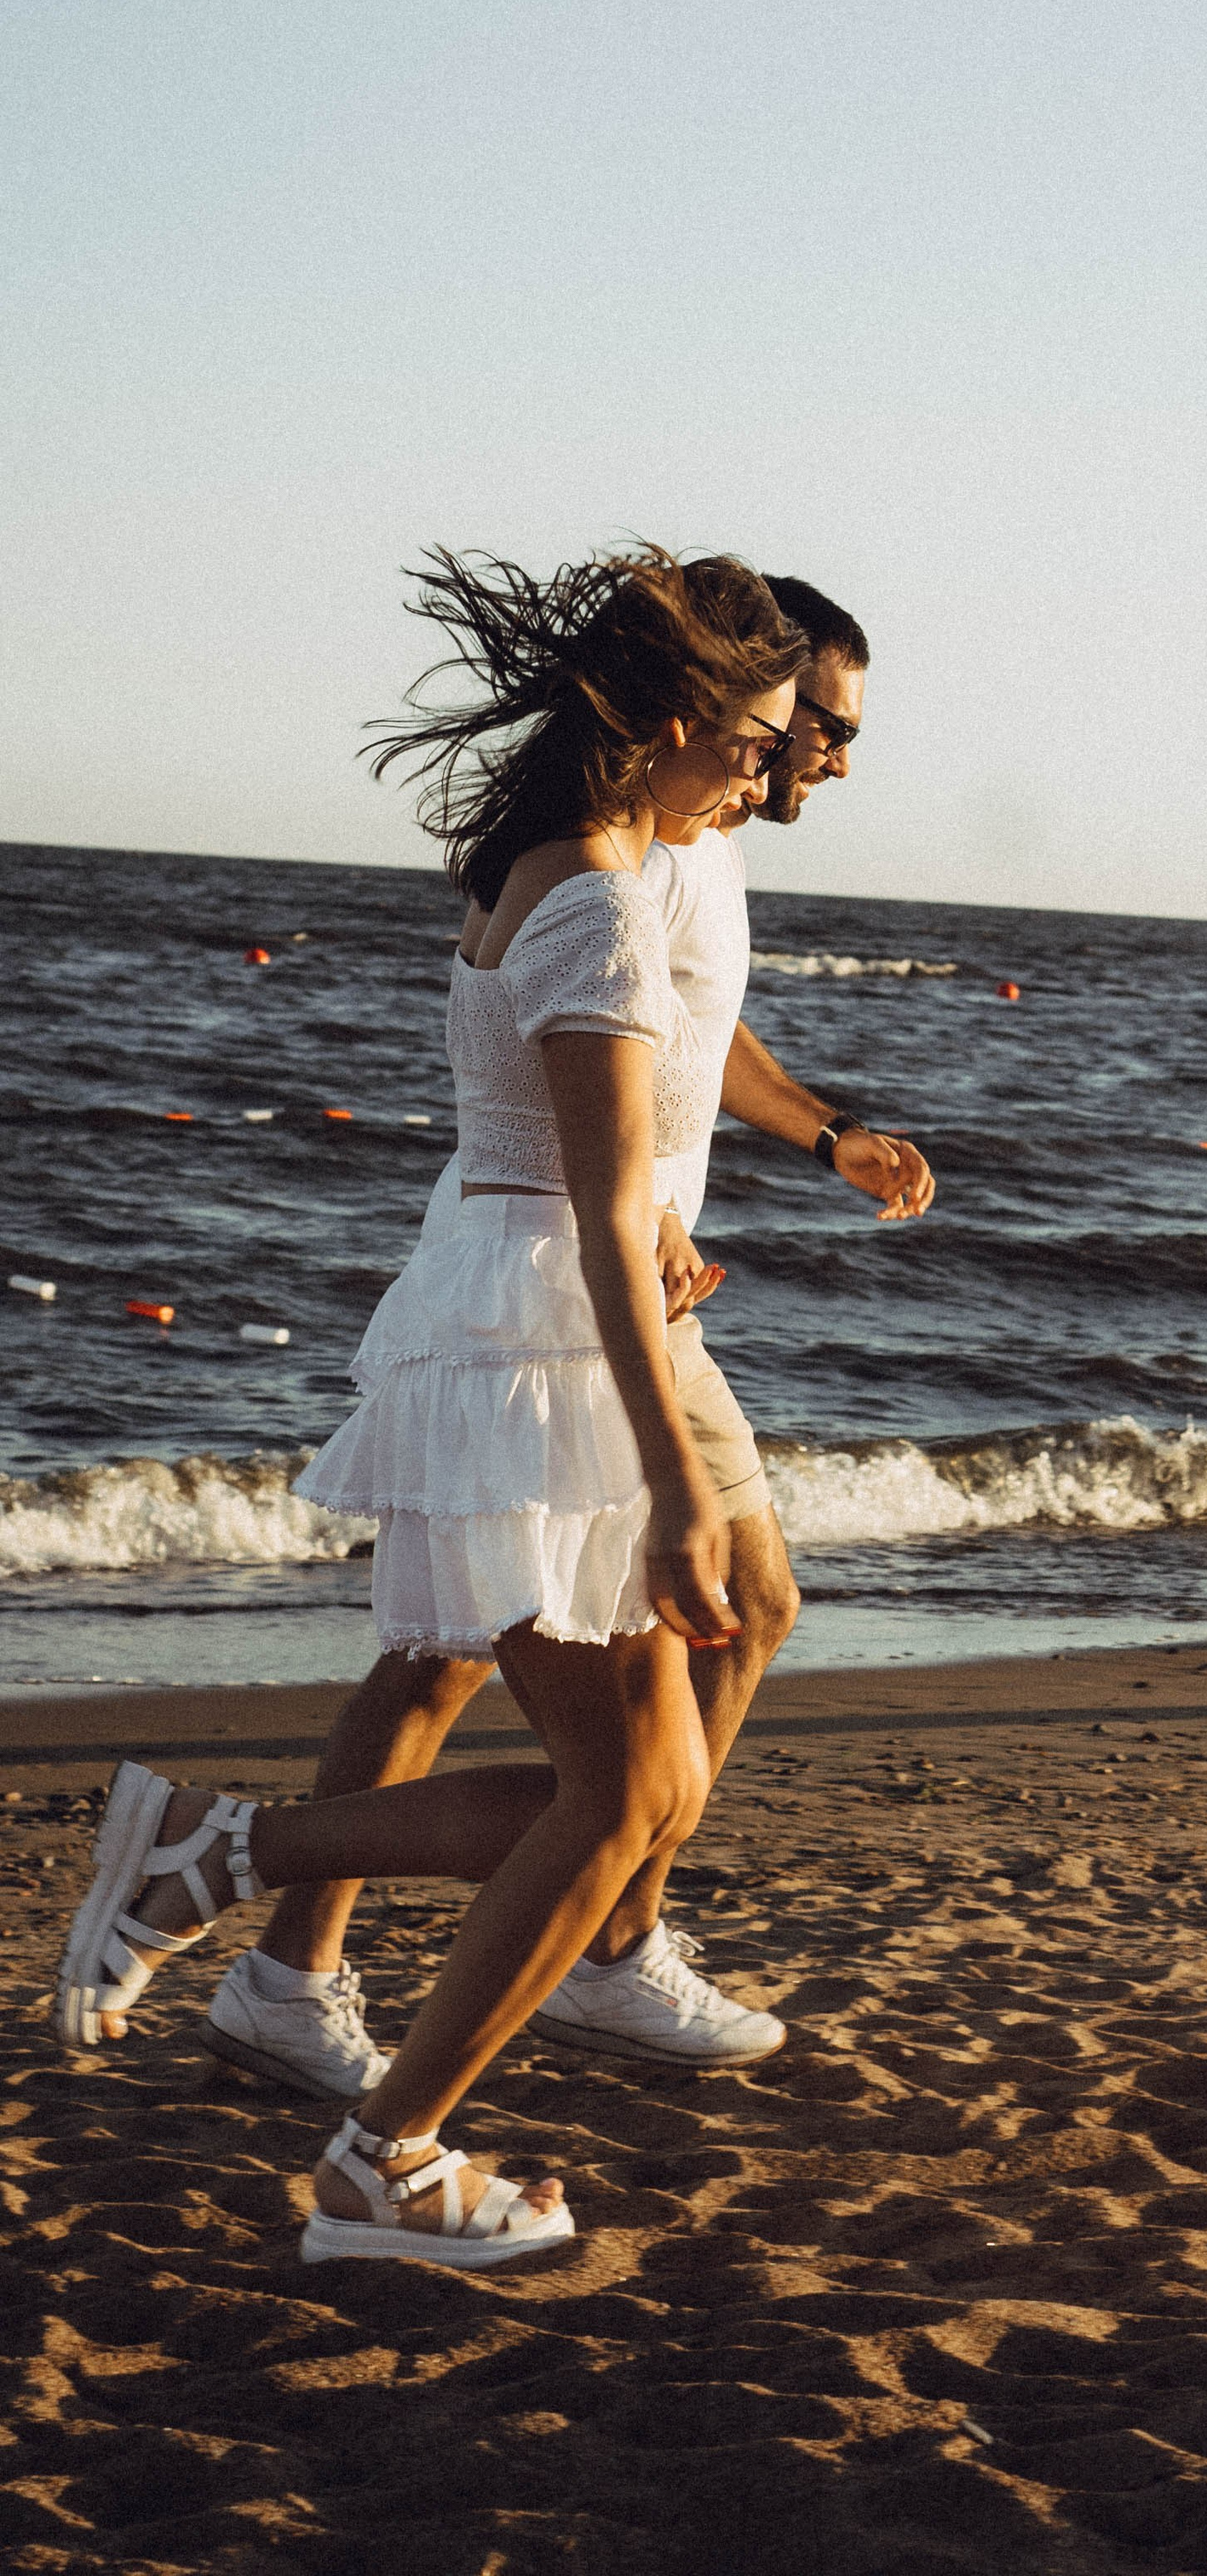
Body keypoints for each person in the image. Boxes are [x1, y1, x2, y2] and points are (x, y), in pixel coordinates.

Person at [57, 545, 819, 2269]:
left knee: (638, 1793)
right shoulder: (598, 906)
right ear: (670, 715)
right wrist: (677, 1484)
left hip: (507, 1320)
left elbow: (596, 1206)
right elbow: (613, 1234)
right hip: (538, 1348)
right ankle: (375, 2142)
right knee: (626, 1795)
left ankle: (230, 1873)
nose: (769, 772)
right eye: (757, 737)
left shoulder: (552, 868)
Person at [194, 571, 932, 2101]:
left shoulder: (689, 838)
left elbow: (688, 1029)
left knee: (715, 1622)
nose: (825, 757)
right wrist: (637, 1211)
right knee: (462, 1669)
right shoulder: (633, 850)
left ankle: (573, 1941)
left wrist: (824, 1132)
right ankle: (326, 1961)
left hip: (609, 1297)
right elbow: (591, 1046)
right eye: (812, 728)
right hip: (561, 1310)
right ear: (715, 707)